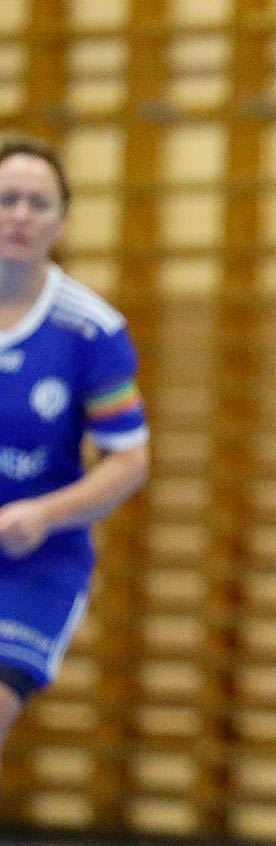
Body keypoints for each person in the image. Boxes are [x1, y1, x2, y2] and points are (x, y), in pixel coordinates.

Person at [0, 138, 150, 767]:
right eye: (7, 199)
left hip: (35, 563)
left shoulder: (90, 330)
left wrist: (45, 515)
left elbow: (129, 460)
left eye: (39, 203)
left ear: (61, 222)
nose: (21, 214)